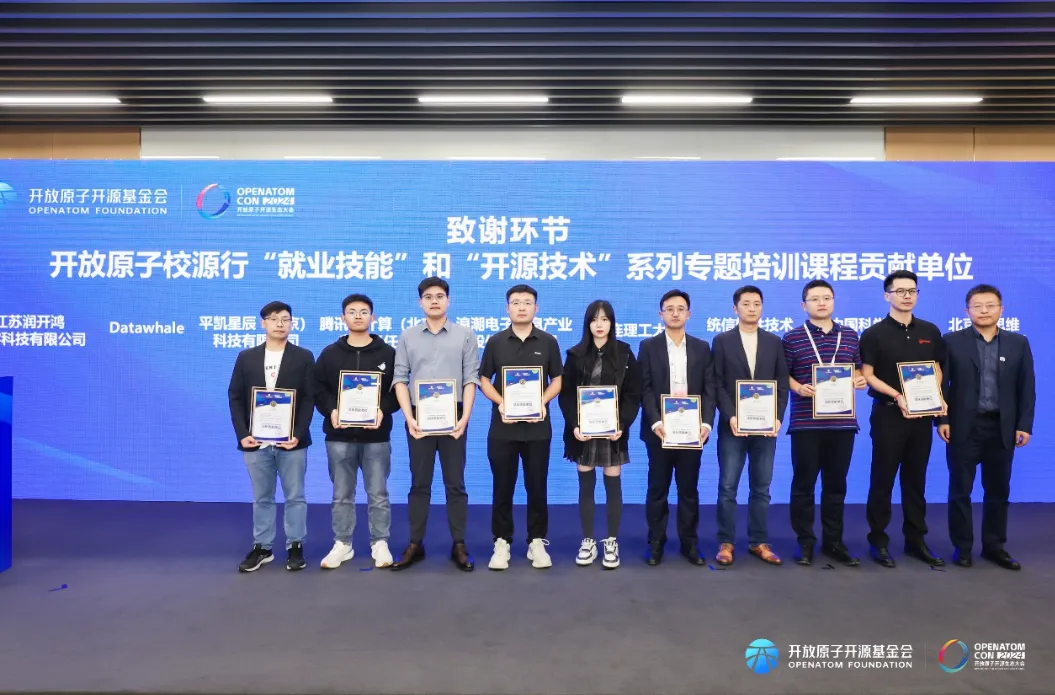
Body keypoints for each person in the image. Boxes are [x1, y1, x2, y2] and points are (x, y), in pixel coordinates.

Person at [939, 284, 1034, 570]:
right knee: (960, 490)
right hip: (963, 426)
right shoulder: (951, 341)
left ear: (1001, 310)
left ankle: (994, 546)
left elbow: (1026, 387)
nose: (983, 310)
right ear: (966, 311)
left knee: (998, 490)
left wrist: (1024, 425)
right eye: (977, 306)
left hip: (1002, 427)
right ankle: (963, 547)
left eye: (990, 305)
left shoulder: (1018, 343)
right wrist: (942, 419)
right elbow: (942, 385)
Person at [390, 277, 480, 572]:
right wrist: (409, 418)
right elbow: (400, 379)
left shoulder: (465, 335)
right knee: (419, 483)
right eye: (428, 297)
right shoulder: (408, 336)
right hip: (419, 416)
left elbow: (471, 379)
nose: (434, 301)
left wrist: (465, 418)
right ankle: (415, 544)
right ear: (420, 302)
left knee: (455, 483)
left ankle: (459, 544)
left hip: (454, 416)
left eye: (440, 296)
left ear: (448, 300)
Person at [860, 270, 946, 568]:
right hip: (888, 414)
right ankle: (878, 541)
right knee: (882, 480)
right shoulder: (874, 333)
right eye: (900, 291)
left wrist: (935, 395)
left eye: (912, 291)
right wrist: (898, 395)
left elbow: (936, 368)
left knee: (915, 480)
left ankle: (916, 540)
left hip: (921, 417)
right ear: (887, 295)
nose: (907, 296)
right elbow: (868, 375)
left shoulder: (930, 331)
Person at [782, 280, 868, 567]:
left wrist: (859, 380)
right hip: (806, 424)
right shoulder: (792, 338)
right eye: (815, 298)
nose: (821, 303)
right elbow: (783, 375)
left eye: (827, 297)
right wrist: (797, 387)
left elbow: (858, 370)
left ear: (833, 301)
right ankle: (805, 542)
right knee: (803, 485)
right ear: (803, 304)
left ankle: (834, 542)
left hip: (842, 423)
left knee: (836, 485)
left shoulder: (850, 335)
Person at [478, 285, 563, 570]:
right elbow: (484, 380)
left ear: (536, 308)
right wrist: (502, 402)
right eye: (516, 302)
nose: (522, 307)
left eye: (527, 302)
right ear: (507, 308)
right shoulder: (496, 342)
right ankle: (501, 541)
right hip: (503, 428)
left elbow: (558, 380)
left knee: (537, 486)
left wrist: (542, 401)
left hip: (538, 429)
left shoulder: (548, 341)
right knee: (502, 486)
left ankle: (536, 541)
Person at [312, 294, 399, 570]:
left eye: (364, 311)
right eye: (352, 311)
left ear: (373, 317)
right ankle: (343, 544)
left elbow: (398, 391)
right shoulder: (330, 353)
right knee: (341, 495)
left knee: (378, 493)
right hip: (339, 437)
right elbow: (317, 389)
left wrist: (383, 409)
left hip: (376, 437)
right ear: (343, 318)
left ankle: (380, 542)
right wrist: (331, 410)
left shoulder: (388, 354)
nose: (358, 316)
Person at [227, 301, 315, 573]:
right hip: (256, 441)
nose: (280, 323)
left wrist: (297, 434)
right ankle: (263, 547)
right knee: (262, 496)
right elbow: (235, 396)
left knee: (295, 496)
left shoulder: (303, 357)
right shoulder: (247, 357)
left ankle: (295, 546)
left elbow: (309, 398)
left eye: (285, 319)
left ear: (292, 324)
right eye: (274, 318)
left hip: (291, 442)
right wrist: (243, 434)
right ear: (263, 323)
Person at [558, 300, 642, 570]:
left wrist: (622, 424)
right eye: (594, 319)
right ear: (588, 323)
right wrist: (575, 425)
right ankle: (588, 541)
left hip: (613, 432)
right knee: (586, 486)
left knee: (612, 484)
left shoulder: (625, 353)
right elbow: (566, 395)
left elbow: (633, 394)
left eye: (605, 319)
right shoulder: (575, 354)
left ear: (612, 323)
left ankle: (611, 541)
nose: (599, 324)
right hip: (582, 432)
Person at [711, 285, 789, 567]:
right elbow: (717, 383)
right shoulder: (722, 341)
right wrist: (730, 416)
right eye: (746, 304)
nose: (752, 308)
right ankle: (726, 542)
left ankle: (759, 541)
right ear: (735, 308)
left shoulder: (774, 342)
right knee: (727, 487)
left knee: (762, 487)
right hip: (733, 426)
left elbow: (782, 383)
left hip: (765, 428)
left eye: (757, 303)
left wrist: (777, 417)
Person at [638, 289, 716, 566]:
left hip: (692, 432)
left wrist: (706, 423)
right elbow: (644, 388)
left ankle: (689, 543)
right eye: (669, 309)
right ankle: (655, 543)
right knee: (657, 489)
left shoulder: (701, 347)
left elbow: (710, 389)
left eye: (680, 309)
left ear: (689, 314)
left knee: (688, 490)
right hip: (659, 431)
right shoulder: (648, 346)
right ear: (661, 314)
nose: (675, 313)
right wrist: (656, 421)